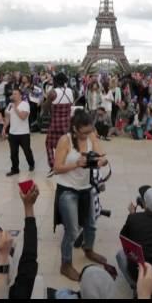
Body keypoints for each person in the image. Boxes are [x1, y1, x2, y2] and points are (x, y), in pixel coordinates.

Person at [53, 109, 108, 281]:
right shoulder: (65, 140)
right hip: (68, 189)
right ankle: (66, 264)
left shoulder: (91, 135)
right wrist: (76, 164)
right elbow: (56, 168)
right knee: (72, 230)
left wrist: (100, 161)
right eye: (83, 132)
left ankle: (88, 249)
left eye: (89, 131)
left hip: (86, 188)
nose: (87, 135)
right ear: (75, 129)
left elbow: (101, 156)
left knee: (91, 224)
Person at [117, 186, 152, 292]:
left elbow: (123, 237)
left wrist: (132, 215)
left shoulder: (133, 219)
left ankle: (135, 285)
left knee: (120, 254)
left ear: (144, 203)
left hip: (136, 274)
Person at [45, 72, 74, 176]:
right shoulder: (71, 91)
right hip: (67, 124)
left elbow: (45, 108)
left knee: (49, 144)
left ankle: (53, 166)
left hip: (55, 124)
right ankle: (65, 164)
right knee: (66, 144)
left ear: (55, 81)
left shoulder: (53, 92)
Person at [3, 88, 35, 177]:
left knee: (27, 151)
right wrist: (4, 128)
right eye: (13, 94)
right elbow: (7, 118)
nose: (14, 95)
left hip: (24, 133)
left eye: (16, 94)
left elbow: (23, 117)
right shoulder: (10, 105)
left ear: (20, 95)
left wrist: (15, 108)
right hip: (12, 133)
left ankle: (31, 164)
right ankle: (15, 169)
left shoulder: (25, 104)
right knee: (13, 153)